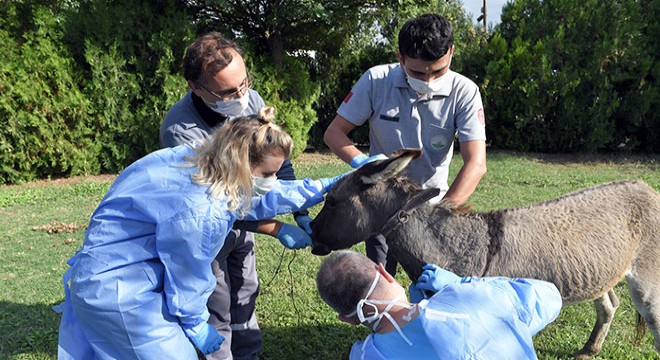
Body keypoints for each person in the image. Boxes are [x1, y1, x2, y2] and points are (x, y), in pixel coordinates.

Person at [56, 107, 343, 359]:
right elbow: (187, 274)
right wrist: (194, 323)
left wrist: (329, 185)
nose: (273, 181)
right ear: (242, 165)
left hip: (109, 273)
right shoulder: (202, 211)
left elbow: (266, 193)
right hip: (121, 293)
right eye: (268, 174)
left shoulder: (197, 157)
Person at [160, 32, 313, 359]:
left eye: (244, 83)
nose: (241, 96)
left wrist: (299, 208)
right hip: (204, 234)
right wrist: (275, 228)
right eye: (229, 91)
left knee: (245, 292)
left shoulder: (252, 101)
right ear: (196, 87)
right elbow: (213, 203)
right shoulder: (182, 131)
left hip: (246, 223)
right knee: (217, 306)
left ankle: (249, 355)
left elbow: (275, 158)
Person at [323, 13, 488, 276]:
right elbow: (334, 134)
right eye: (417, 72)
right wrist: (364, 164)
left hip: (431, 206)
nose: (428, 81)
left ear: (452, 52)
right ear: (400, 57)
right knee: (379, 283)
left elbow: (476, 163)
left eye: (438, 71)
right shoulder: (376, 81)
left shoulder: (465, 92)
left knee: (428, 286)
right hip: (379, 207)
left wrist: (442, 216)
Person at [316, 251, 563, 359]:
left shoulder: (364, 355)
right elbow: (550, 296)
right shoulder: (477, 296)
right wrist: (463, 284)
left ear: (347, 319)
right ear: (385, 272)